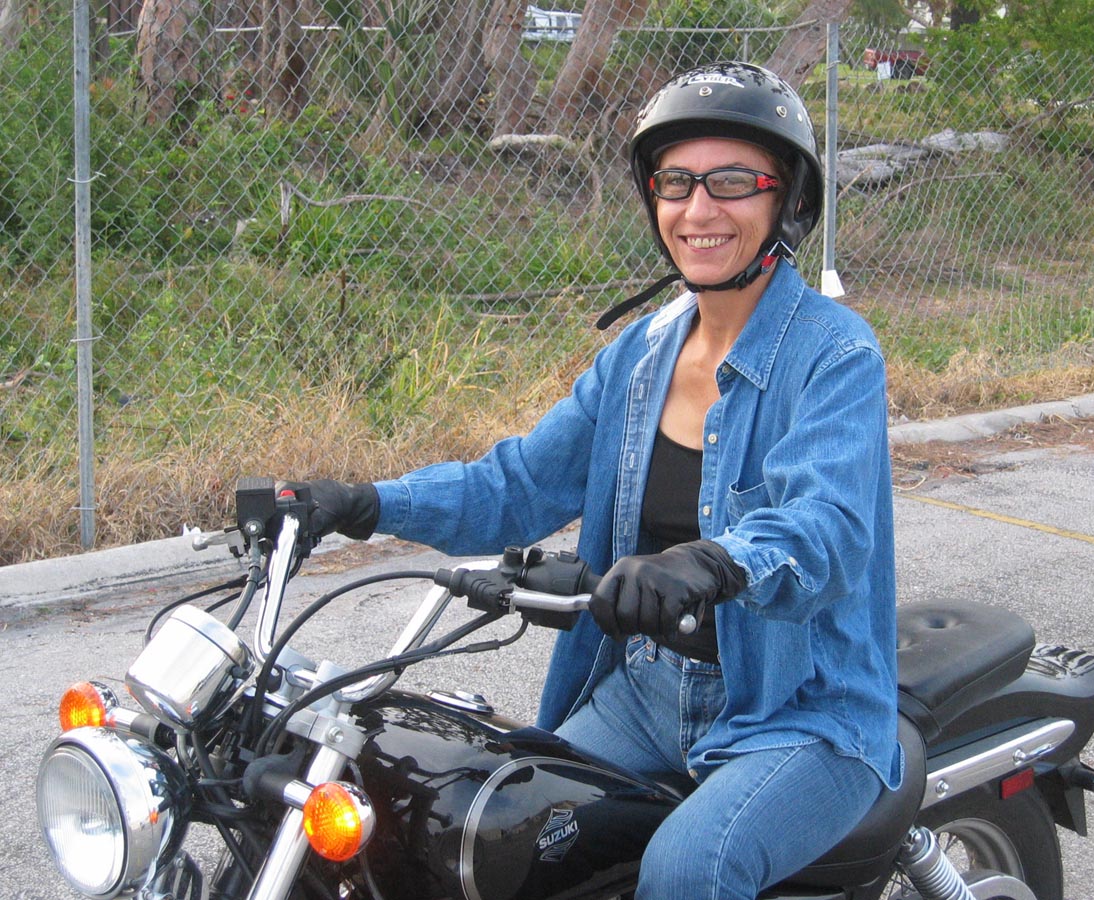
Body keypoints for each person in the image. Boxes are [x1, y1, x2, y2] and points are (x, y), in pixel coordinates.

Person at [286, 61, 901, 900]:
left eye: (731, 181)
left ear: (787, 202)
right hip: (645, 690)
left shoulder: (836, 353)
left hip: (800, 708)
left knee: (688, 869)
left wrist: (711, 561)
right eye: (676, 182)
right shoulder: (639, 358)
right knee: (500, 833)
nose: (698, 209)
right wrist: (363, 504)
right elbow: (515, 486)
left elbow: (825, 527)